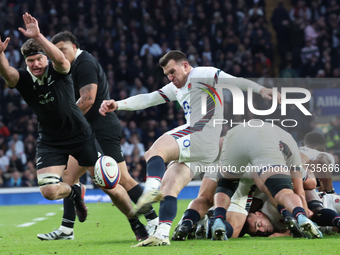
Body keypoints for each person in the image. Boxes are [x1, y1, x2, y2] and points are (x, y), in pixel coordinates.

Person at [99, 50, 277, 246]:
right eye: (167, 74)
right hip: (200, 148)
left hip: (202, 134)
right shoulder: (176, 88)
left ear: (185, 66)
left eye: (173, 71)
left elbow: (234, 81)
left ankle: (149, 190)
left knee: (154, 151)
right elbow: (148, 99)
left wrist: (261, 90)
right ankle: (162, 234)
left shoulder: (202, 74)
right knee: (169, 187)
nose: (171, 77)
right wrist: (118, 104)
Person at [36, 31, 158, 241]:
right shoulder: (66, 66)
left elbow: (88, 99)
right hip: (82, 132)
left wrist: (64, 124)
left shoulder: (85, 63)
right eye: (57, 51)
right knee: (68, 177)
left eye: (63, 49)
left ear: (74, 47)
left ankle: (154, 221)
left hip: (101, 129)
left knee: (122, 179)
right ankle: (67, 229)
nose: (60, 53)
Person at [0, 12, 100, 226]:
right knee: (49, 191)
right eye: (30, 61)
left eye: (39, 59)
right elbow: (8, 74)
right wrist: (0, 54)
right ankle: (75, 191)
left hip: (79, 132)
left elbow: (60, 58)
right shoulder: (24, 77)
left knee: (106, 182)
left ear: (45, 57)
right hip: (50, 138)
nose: (35, 64)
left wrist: (38, 37)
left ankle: (145, 220)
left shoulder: (58, 70)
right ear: (25, 63)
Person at [211, 121, 323, 240]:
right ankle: (300, 217)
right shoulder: (290, 149)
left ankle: (218, 218)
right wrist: (302, 213)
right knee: (282, 191)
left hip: (234, 138)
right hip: (265, 146)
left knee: (225, 186)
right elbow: (299, 192)